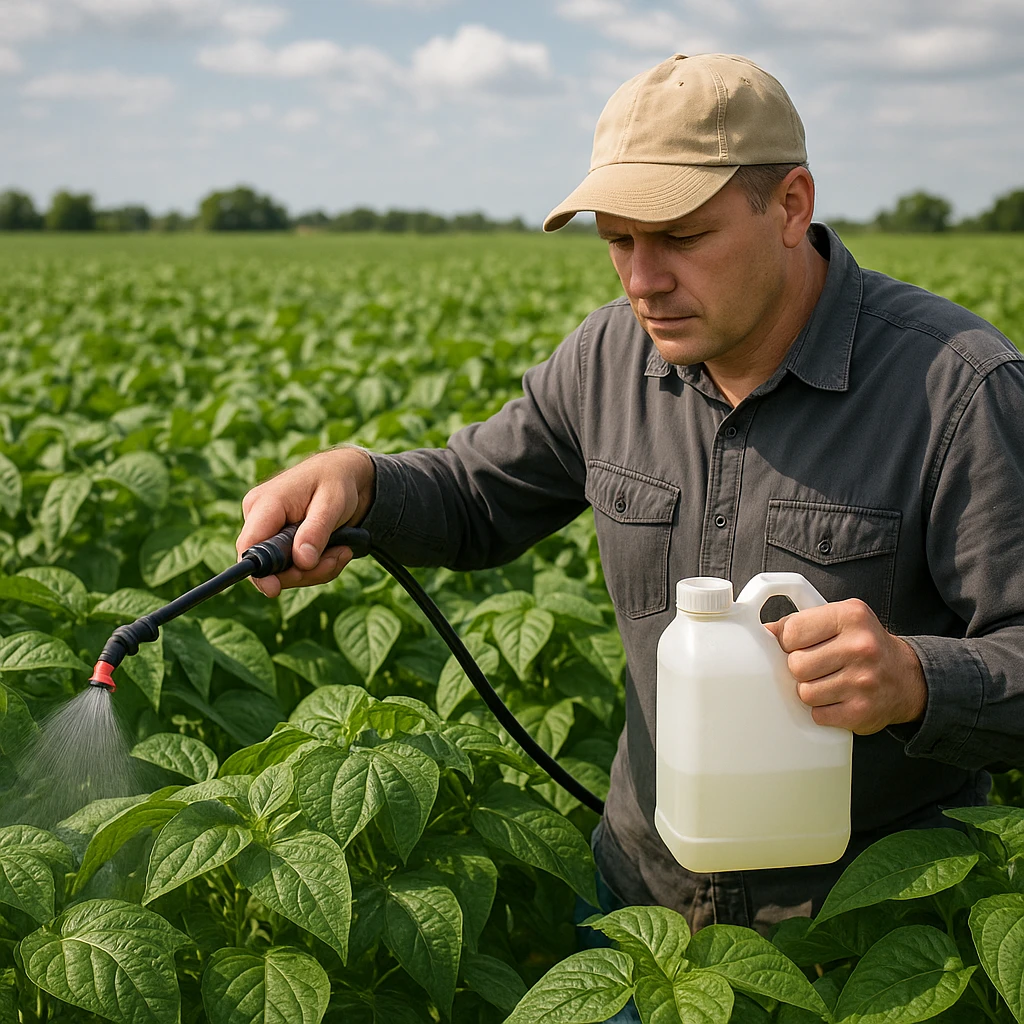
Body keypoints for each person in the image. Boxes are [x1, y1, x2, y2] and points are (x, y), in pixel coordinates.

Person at [236, 52, 1023, 949]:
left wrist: (917, 681)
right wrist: (363, 479)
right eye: (618, 241)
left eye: (682, 237)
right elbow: (475, 495)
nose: (641, 280)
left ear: (792, 205)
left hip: (856, 940)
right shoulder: (608, 358)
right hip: (635, 907)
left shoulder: (957, 389)